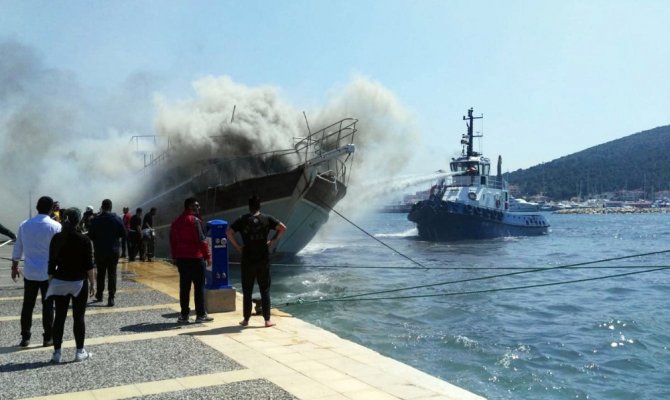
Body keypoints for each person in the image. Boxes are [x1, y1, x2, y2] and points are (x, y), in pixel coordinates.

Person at [227, 195, 286, 328]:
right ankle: (267, 320)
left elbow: (229, 233)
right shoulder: (267, 219)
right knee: (265, 289)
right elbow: (283, 228)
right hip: (263, 259)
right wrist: (272, 241)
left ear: (249, 207)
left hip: (247, 259)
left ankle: (246, 320)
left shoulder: (242, 220)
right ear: (259, 206)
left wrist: (238, 247)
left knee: (247, 290)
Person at [11, 196, 62, 347]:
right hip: (49, 272)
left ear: (36, 207)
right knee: (48, 306)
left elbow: (17, 248)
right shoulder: (56, 226)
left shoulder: (24, 225)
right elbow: (59, 251)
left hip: (30, 271)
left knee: (28, 305)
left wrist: (14, 267)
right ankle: (48, 337)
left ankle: (25, 337)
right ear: (51, 208)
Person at [46, 207, 96, 363]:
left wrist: (51, 280)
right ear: (79, 220)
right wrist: (93, 283)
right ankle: (79, 352)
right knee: (78, 317)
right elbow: (89, 265)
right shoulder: (84, 240)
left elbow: (51, 264)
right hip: (78, 282)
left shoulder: (57, 238)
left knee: (59, 317)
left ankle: (57, 353)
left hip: (60, 281)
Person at [169, 197, 213, 324]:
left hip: (182, 259)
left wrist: (174, 257)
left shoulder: (176, 222)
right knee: (199, 287)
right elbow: (202, 241)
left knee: (184, 287)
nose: (199, 208)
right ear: (190, 207)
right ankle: (200, 315)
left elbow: (173, 242)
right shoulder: (195, 221)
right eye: (197, 205)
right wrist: (208, 257)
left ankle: (184, 315)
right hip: (195, 258)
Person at [87, 199, 126, 307]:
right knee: (112, 274)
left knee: (101, 273)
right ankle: (111, 298)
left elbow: (90, 235)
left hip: (100, 251)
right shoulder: (117, 219)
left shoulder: (96, 219)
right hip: (113, 251)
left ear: (102, 207)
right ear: (111, 207)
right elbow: (124, 234)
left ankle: (99, 294)